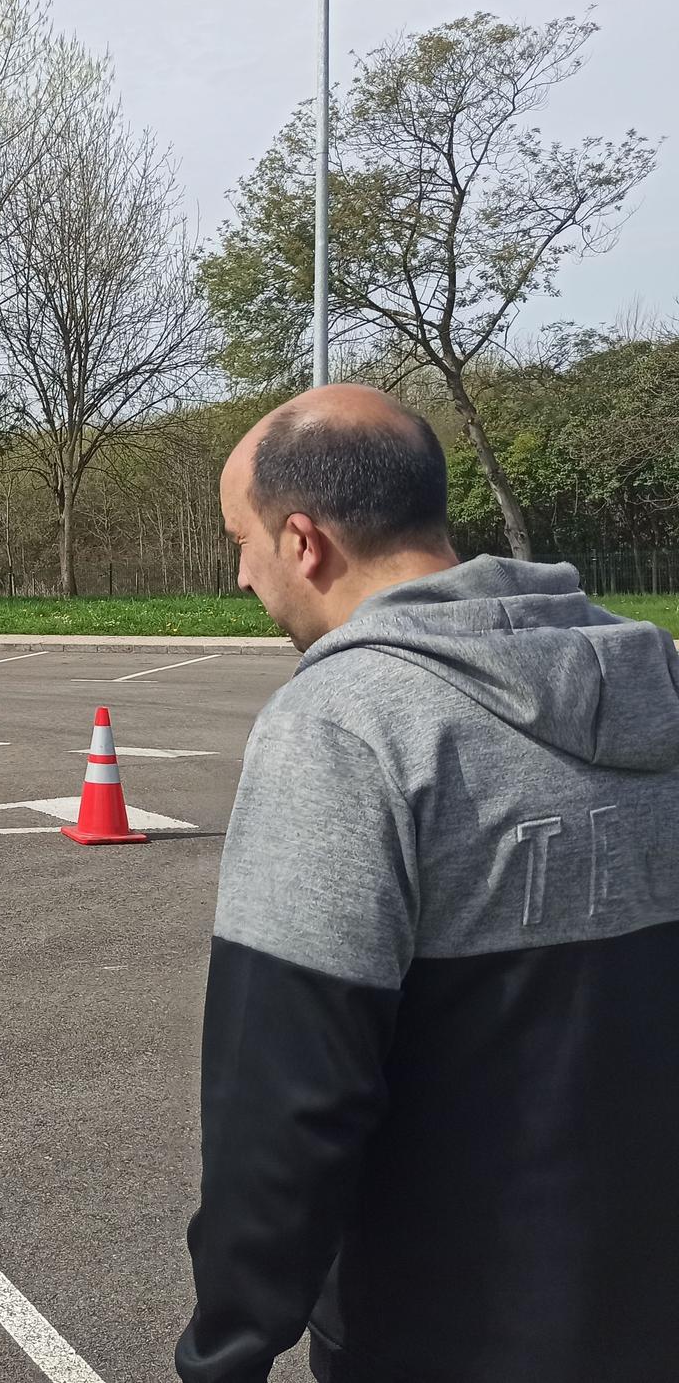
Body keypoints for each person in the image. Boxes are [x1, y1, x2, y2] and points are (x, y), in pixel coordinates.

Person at [177, 385, 679, 1382]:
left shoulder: (344, 723)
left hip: (445, 1334)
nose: (239, 574)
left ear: (303, 541)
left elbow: (286, 1094)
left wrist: (224, 1349)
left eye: (240, 541)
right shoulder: (654, 678)